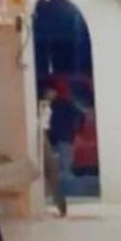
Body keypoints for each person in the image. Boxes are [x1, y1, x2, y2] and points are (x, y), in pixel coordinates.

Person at [41, 77, 81, 217]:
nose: (48, 94)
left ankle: (63, 201)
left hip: (61, 138)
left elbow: (77, 117)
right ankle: (60, 203)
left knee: (60, 169)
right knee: (54, 171)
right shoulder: (46, 106)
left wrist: (72, 131)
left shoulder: (61, 104)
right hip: (52, 139)